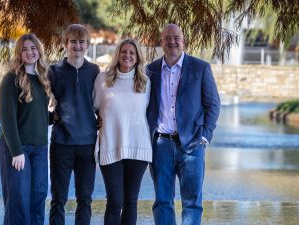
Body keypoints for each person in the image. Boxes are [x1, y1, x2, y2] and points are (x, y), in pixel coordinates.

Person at [146, 24, 221, 225]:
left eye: (176, 37)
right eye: (167, 38)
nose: (172, 42)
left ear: (183, 40)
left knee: (192, 202)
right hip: (160, 145)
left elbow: (213, 105)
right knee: (162, 202)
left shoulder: (200, 68)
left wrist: (205, 136)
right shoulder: (150, 70)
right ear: (161, 42)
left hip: (192, 145)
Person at [0, 33, 56, 225]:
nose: (30, 52)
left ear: (39, 51)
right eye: (25, 49)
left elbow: (37, 116)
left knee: (38, 199)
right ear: (19, 53)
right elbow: (7, 119)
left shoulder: (43, 78)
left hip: (40, 148)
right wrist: (16, 151)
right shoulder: (11, 79)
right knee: (18, 202)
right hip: (17, 148)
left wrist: (55, 117)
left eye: (33, 48)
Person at [93, 38, 152, 225]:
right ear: (117, 54)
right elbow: (92, 107)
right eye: (124, 51)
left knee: (131, 201)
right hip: (111, 145)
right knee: (115, 201)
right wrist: (96, 120)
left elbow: (149, 113)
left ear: (137, 58)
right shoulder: (103, 79)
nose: (127, 55)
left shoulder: (145, 82)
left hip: (138, 147)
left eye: (132, 53)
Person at [49, 24, 100, 225]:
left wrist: (104, 118)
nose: (77, 46)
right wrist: (48, 117)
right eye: (73, 42)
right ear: (65, 44)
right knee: (58, 199)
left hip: (87, 143)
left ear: (87, 45)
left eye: (81, 42)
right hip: (61, 142)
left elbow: (101, 101)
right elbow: (37, 96)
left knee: (84, 199)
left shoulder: (94, 71)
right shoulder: (54, 71)